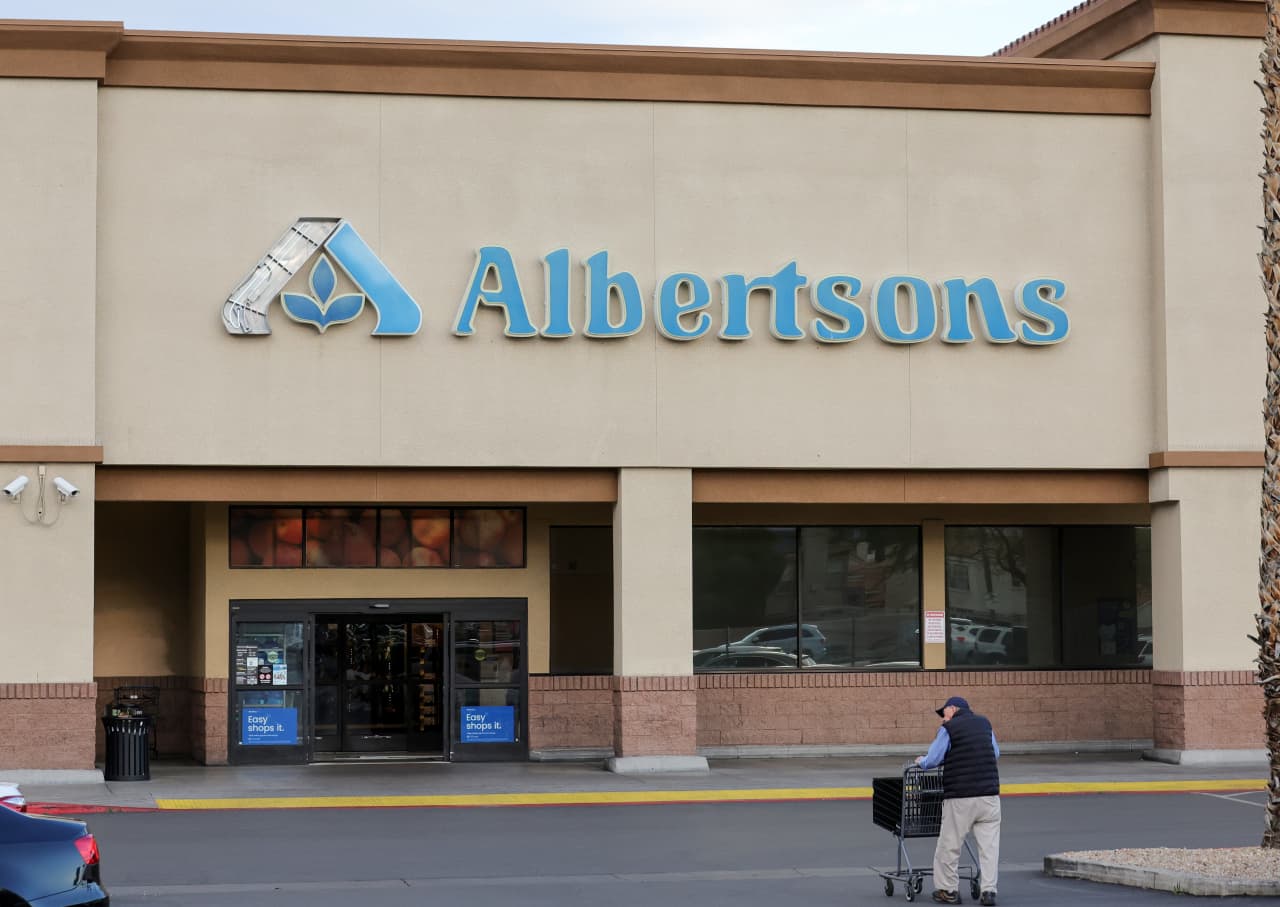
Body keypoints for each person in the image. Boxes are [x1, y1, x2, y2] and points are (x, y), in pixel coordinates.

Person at [914, 695, 1000, 906]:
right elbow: (995, 753)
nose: (942, 718)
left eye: (943, 713)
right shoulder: (985, 724)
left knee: (949, 845)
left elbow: (933, 759)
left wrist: (921, 761)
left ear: (952, 709)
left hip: (961, 796)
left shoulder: (949, 729)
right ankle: (989, 891)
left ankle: (948, 890)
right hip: (989, 796)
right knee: (989, 847)